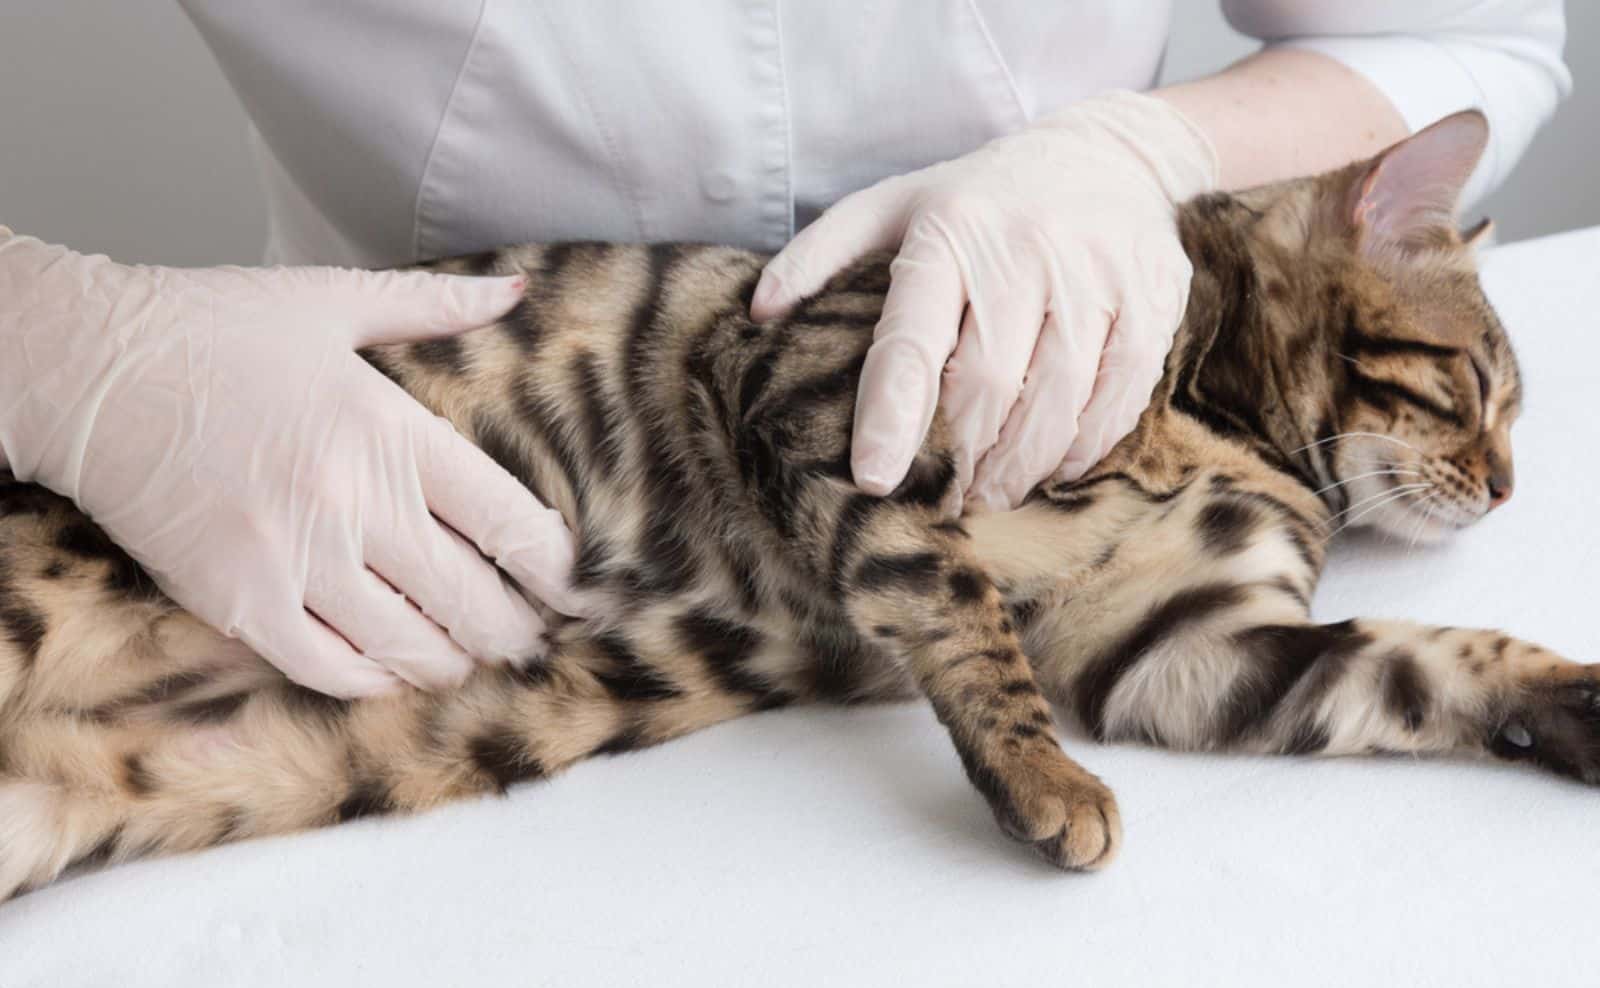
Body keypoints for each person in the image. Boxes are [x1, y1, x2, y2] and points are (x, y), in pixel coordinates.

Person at [0, 2, 1569, 700]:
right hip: (352, 514)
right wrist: (70, 341)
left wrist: (1139, 148)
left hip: (1039, 507)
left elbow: (1464, 34)